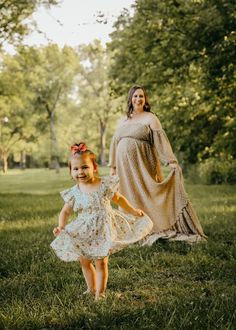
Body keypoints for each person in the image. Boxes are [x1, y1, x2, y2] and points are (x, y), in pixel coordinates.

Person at [50, 142, 153, 300]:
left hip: (103, 229)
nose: (80, 172)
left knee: (101, 262)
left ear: (94, 167)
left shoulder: (104, 184)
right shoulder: (74, 192)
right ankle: (91, 288)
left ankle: (100, 293)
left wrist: (133, 210)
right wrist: (61, 226)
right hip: (84, 230)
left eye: (85, 167)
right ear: (70, 172)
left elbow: (119, 199)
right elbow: (65, 211)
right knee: (84, 261)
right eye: (76, 169)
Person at [109, 85, 207, 245]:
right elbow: (115, 143)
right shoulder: (123, 120)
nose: (138, 99)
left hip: (142, 164)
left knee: (147, 193)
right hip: (124, 168)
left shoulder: (151, 118)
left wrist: (172, 161)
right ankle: (134, 229)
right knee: (128, 196)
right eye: (135, 96)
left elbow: (161, 142)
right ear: (130, 99)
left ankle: (155, 225)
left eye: (141, 96)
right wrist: (113, 167)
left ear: (145, 99)